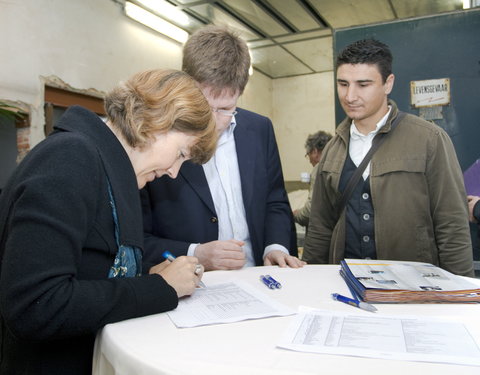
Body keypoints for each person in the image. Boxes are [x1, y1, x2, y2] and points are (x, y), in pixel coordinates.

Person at [0, 69, 217, 374]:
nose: (173, 172)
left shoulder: (106, 167)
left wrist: (144, 274)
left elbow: (89, 263)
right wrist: (159, 288)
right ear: (155, 122)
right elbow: (36, 305)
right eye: (181, 153)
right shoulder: (70, 159)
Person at [302, 39, 474, 276]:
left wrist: (461, 295)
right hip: (346, 287)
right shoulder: (332, 150)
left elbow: (452, 225)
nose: (350, 96)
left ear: (388, 83)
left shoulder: (429, 140)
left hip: (413, 289)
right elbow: (320, 228)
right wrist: (311, 281)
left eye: (363, 84)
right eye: (343, 84)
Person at [141, 25, 304, 271]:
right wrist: (196, 252)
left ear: (241, 92)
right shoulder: (158, 135)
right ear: (186, 83)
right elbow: (137, 237)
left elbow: (275, 201)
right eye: (204, 105)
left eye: (226, 109)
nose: (213, 120)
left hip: (258, 276)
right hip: (192, 284)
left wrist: (275, 247)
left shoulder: (260, 129)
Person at [293, 130, 332, 227]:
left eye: (308, 154)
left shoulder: (319, 169)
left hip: (322, 232)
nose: (309, 160)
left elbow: (312, 210)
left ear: (314, 151)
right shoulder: (336, 166)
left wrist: (296, 215)